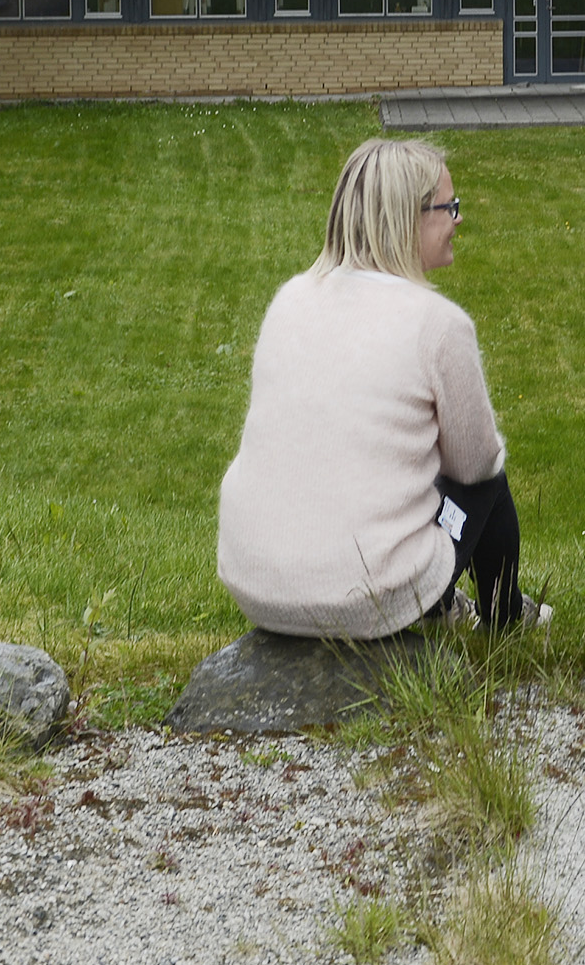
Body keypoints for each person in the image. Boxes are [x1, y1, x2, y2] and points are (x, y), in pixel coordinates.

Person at [216, 137, 526, 639]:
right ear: (408, 218)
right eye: (450, 207)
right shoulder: (439, 324)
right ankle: (503, 619)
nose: (458, 220)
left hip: (253, 582)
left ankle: (446, 603)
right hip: (367, 597)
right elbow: (475, 465)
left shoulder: (290, 299)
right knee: (487, 476)